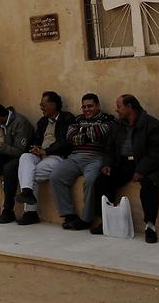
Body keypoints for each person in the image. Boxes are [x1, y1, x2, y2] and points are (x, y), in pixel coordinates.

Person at [91, 94, 159, 243]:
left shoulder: (152, 125)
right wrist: (107, 164)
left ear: (129, 107)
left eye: (119, 106)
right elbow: (109, 148)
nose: (116, 110)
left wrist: (141, 170)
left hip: (148, 165)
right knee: (103, 180)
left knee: (149, 184)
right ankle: (106, 221)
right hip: (124, 164)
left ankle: (150, 226)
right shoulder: (118, 125)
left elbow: (157, 153)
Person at [48, 93, 115, 230]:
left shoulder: (107, 119)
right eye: (84, 107)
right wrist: (89, 134)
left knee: (91, 180)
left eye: (90, 106)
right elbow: (70, 136)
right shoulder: (77, 119)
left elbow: (101, 132)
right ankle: (69, 215)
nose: (86, 109)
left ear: (97, 106)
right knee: (56, 176)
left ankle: (86, 219)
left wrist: (82, 132)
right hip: (74, 157)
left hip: (95, 158)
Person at [13, 91, 76, 225]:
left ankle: (30, 212)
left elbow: (65, 142)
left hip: (56, 157)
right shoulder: (42, 121)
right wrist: (35, 148)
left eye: (43, 104)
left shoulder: (67, 119)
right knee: (25, 157)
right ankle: (27, 192)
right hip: (40, 155)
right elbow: (36, 138)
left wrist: (46, 151)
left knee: (31, 174)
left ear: (53, 105)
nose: (40, 107)